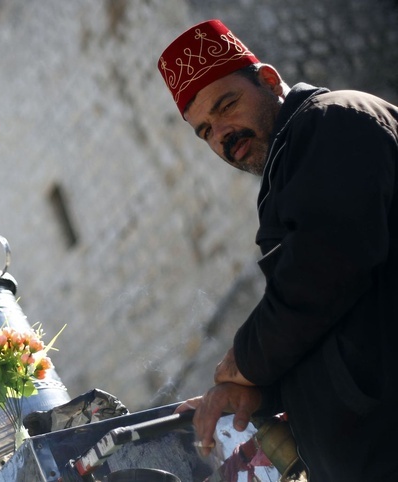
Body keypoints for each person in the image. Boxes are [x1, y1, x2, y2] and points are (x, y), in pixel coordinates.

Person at [157, 19, 398, 481]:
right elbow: (345, 327)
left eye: (227, 105)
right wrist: (260, 393)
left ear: (268, 80)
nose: (222, 133)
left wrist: (241, 364)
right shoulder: (295, 155)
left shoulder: (332, 120)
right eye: (205, 129)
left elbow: (323, 274)